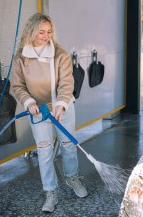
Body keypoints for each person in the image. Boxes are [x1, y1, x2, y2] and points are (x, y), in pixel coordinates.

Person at [11, 13, 88, 213]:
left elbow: (66, 83)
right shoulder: (21, 58)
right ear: (31, 32)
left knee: (68, 145)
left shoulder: (59, 54)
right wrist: (29, 103)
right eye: (41, 32)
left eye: (49, 32)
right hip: (38, 111)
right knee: (44, 152)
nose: (46, 36)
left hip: (62, 107)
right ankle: (50, 191)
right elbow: (18, 85)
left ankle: (72, 178)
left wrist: (61, 105)